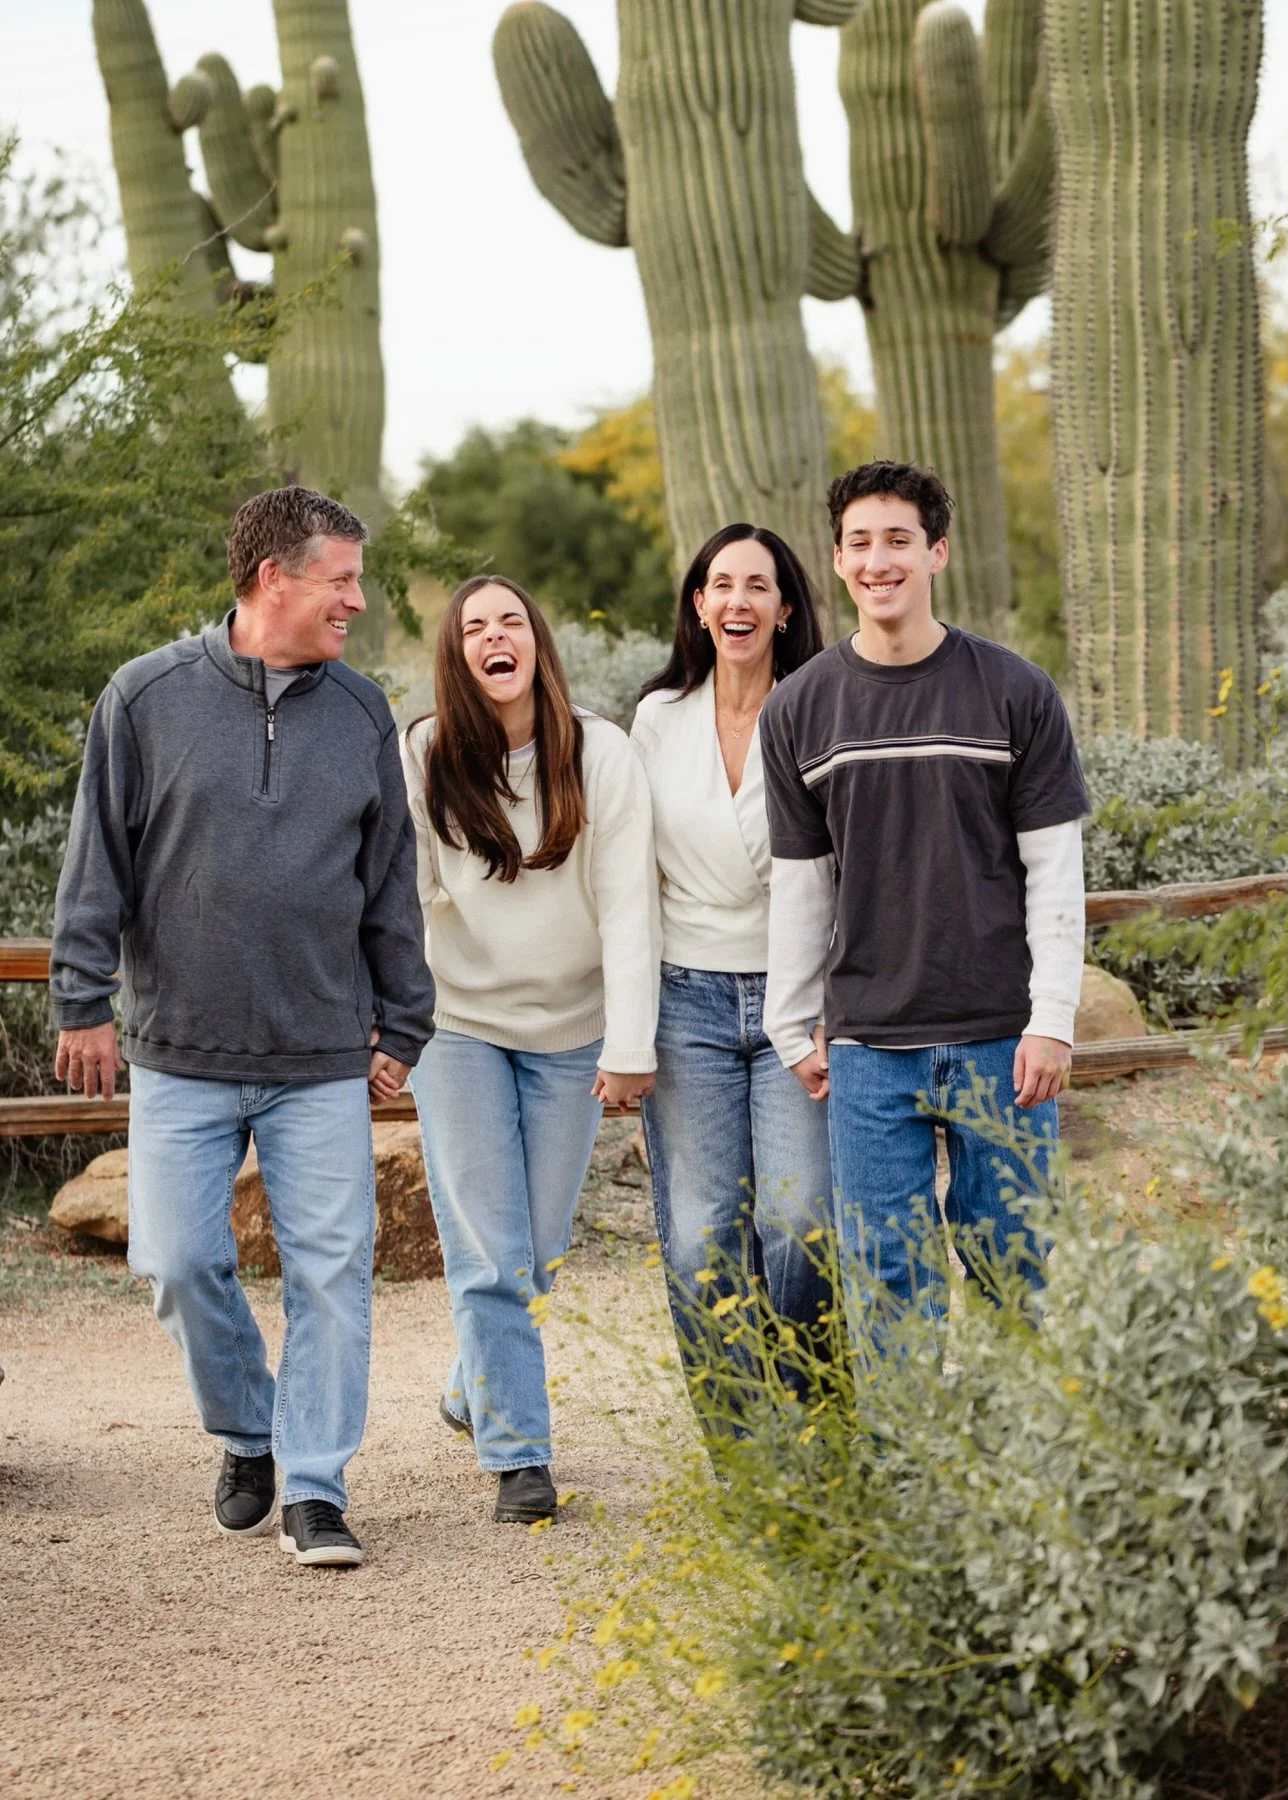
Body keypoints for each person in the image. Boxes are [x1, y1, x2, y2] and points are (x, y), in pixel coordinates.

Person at [50, 486, 435, 1568]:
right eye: (343, 580)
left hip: (320, 1054)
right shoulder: (146, 699)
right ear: (276, 578)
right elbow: (98, 865)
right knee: (174, 1262)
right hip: (182, 1049)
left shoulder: (360, 715)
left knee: (331, 1273)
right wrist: (82, 999)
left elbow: (389, 888)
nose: (357, 601)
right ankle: (247, 1431)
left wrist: (401, 1023)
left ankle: (315, 1488)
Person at [759, 461, 1088, 1359]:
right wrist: (793, 1024)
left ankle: (1018, 1476)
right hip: (869, 1045)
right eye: (860, 543)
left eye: (898, 540)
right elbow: (802, 878)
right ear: (836, 561)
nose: (879, 560)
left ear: (936, 551)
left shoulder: (1015, 691)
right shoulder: (798, 709)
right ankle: (914, 1488)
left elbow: (1055, 869)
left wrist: (1052, 1018)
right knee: (889, 1283)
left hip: (1000, 1036)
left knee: (1015, 1267)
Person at [403, 575, 658, 1524]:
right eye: (474, 627)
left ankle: (473, 1388)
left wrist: (632, 1043)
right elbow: (405, 896)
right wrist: (391, 1021)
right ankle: (521, 1457)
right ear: (458, 656)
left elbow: (634, 904)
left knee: (538, 1249)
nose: (494, 636)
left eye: (510, 620)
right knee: (489, 1251)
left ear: (537, 645)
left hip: (573, 1030)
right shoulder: (423, 752)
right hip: (457, 1026)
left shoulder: (601, 753)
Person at [630, 524, 833, 1430]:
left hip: (801, 1000)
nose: (739, 601)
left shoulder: (823, 708)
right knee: (702, 1237)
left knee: (799, 1226)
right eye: (722, 585)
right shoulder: (657, 718)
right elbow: (627, 878)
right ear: (700, 607)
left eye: (759, 585)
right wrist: (629, 1023)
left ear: (786, 608)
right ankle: (746, 1454)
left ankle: (816, 1417)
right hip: (687, 1002)